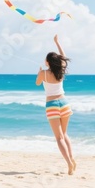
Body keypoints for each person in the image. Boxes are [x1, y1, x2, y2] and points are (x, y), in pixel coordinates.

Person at [35, 34, 76, 175]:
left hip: (52, 104)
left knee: (59, 138)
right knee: (65, 134)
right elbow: (63, 57)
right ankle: (71, 158)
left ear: (47, 62)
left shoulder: (43, 73)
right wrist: (57, 42)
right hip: (64, 103)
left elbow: (37, 83)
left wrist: (39, 72)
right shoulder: (61, 70)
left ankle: (69, 163)